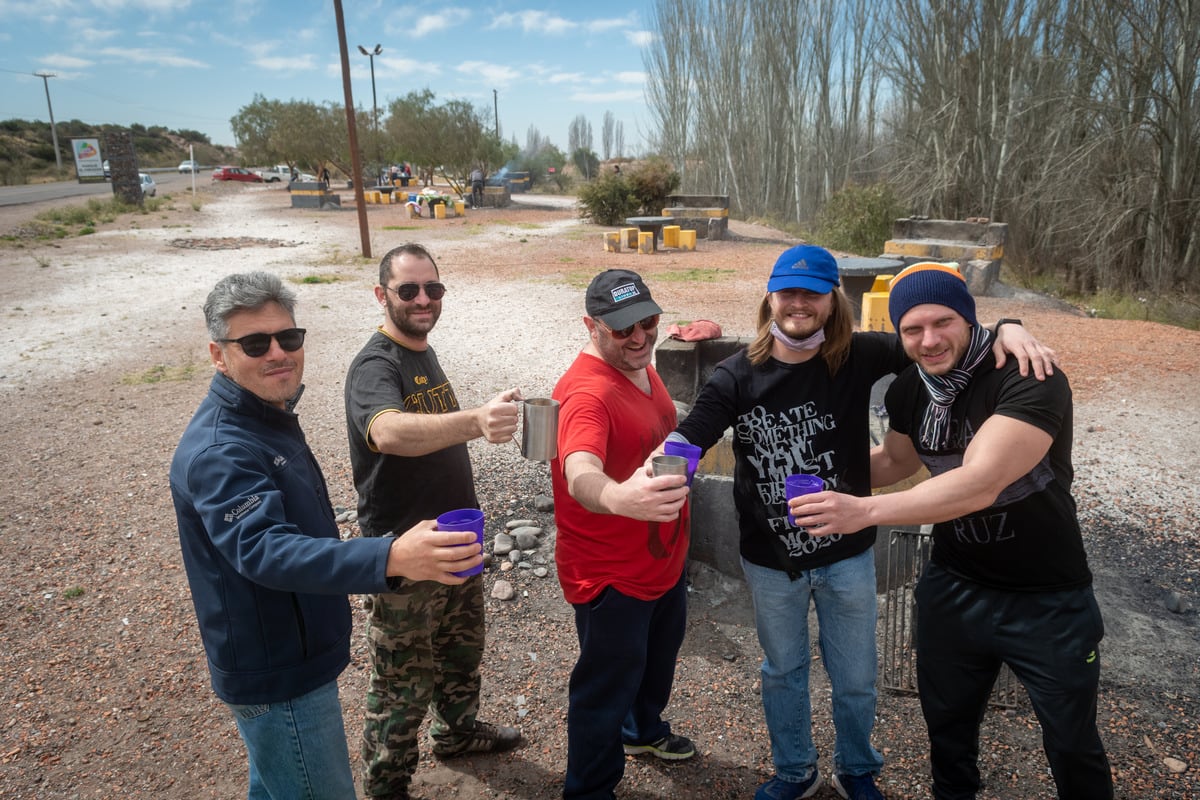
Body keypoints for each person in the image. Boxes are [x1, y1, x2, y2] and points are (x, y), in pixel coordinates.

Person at [669, 246, 1057, 800]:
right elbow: (696, 432)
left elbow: (938, 338)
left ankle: (856, 769)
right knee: (783, 671)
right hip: (771, 560)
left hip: (848, 555)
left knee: (854, 679)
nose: (798, 304)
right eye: (788, 292)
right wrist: (662, 469)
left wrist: (1006, 328)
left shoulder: (860, 356)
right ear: (770, 298)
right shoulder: (737, 374)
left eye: (812, 293)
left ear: (833, 301)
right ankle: (794, 771)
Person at [791, 262, 1113, 800]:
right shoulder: (909, 392)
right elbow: (895, 462)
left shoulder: (1029, 376)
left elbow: (980, 483)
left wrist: (863, 512)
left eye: (943, 322)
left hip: (1048, 597)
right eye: (912, 329)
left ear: (968, 319)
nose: (929, 340)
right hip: (953, 587)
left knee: (1071, 739)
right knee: (948, 730)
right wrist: (810, 475)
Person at [169, 271, 484, 800]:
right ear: (218, 355)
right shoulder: (222, 448)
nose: (278, 353)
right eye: (254, 343)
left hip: (292, 651)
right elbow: (265, 549)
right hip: (278, 671)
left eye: (288, 338)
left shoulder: (264, 418)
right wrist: (390, 556)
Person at [345, 243, 523, 800]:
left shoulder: (422, 350)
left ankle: (458, 735)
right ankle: (386, 784)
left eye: (434, 289)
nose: (424, 299)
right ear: (382, 296)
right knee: (402, 681)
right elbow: (389, 432)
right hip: (406, 551)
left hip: (457, 537)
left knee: (460, 652)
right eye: (409, 290)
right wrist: (475, 420)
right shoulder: (376, 363)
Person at [551, 269, 695, 800]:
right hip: (610, 576)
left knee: (655, 667)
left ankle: (643, 732)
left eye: (648, 321)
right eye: (621, 329)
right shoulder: (587, 394)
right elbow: (580, 470)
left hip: (661, 562)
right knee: (602, 691)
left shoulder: (642, 368)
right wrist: (618, 497)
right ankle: (589, 789)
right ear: (591, 326)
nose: (638, 337)